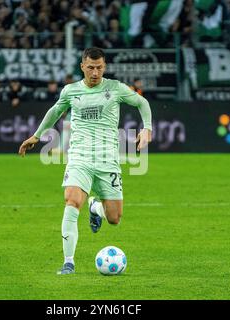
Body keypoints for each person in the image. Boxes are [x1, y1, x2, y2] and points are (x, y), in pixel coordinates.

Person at [18, 47, 152, 275]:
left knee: (114, 218)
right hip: (79, 157)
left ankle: (95, 206)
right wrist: (37, 136)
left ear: (105, 67)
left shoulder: (115, 88)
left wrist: (147, 128)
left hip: (108, 159)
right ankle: (68, 262)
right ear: (82, 66)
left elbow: (142, 103)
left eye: (99, 68)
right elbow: (54, 111)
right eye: (90, 67)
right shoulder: (71, 91)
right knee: (71, 201)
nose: (95, 72)